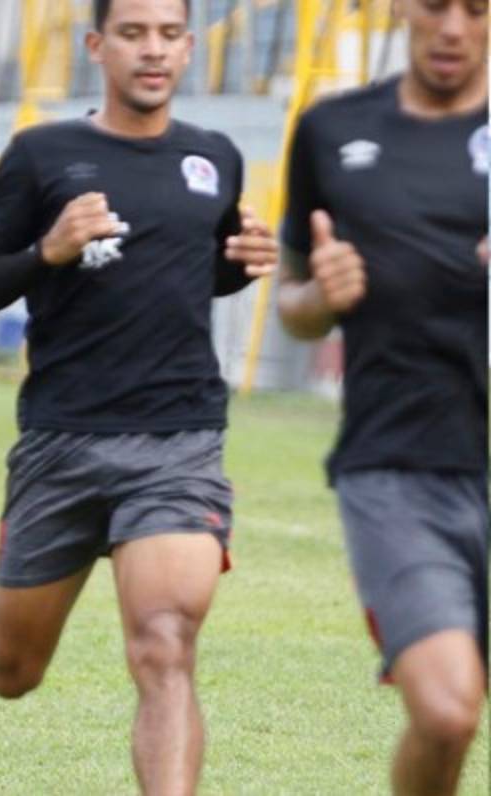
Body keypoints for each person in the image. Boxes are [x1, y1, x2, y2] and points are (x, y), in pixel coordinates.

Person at [0, 1, 277, 792]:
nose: (153, 50)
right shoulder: (42, 154)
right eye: (133, 33)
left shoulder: (214, 156)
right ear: (97, 45)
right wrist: (46, 251)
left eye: (169, 35)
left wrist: (240, 262)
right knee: (17, 671)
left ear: (189, 47)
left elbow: (196, 266)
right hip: (64, 440)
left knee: (164, 644)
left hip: (179, 440)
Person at [277, 1, 488, 793]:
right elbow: (293, 303)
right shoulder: (332, 130)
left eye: (476, 8)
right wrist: (321, 296)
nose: (454, 28)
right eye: (435, 5)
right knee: (448, 710)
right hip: (399, 466)